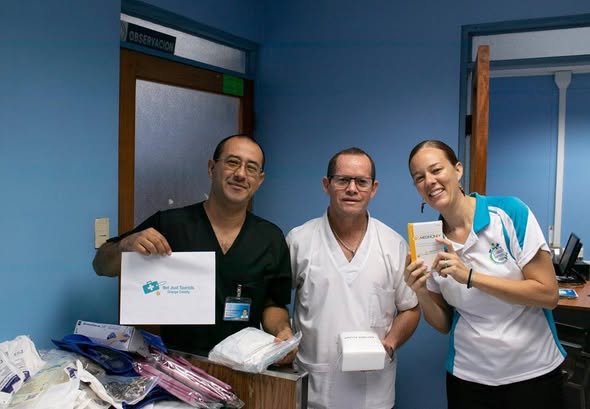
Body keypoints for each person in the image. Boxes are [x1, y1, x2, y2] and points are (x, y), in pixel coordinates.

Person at [93, 134, 295, 361]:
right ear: (211, 168)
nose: (240, 174)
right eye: (232, 162)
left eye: (251, 168)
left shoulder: (270, 238)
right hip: (177, 363)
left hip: (242, 367)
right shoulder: (170, 224)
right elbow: (101, 266)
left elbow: (273, 304)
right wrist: (125, 245)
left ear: (260, 180)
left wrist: (282, 331)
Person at [405, 140, 565, 409]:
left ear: (458, 170)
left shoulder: (509, 213)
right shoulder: (429, 242)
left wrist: (470, 277)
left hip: (532, 371)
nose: (429, 181)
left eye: (436, 170)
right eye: (419, 177)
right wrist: (420, 291)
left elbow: (548, 294)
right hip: (469, 378)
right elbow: (444, 324)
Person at [287, 147, 420, 409]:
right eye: (342, 180)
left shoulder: (393, 245)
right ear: (326, 185)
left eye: (361, 181)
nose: (352, 189)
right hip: (314, 389)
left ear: (374, 188)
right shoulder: (299, 240)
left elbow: (411, 308)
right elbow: (274, 300)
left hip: (374, 392)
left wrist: (390, 343)